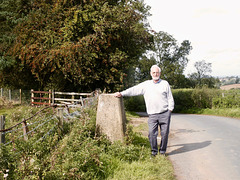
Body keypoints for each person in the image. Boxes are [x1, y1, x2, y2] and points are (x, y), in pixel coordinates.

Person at [114, 65, 174, 156]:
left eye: (157, 72)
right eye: (153, 72)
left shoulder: (165, 84)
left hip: (165, 113)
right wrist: (122, 93)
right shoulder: (146, 85)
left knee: (165, 134)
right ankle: (154, 152)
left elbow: (170, 98)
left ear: (160, 73)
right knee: (151, 134)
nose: (155, 74)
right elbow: (134, 90)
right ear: (150, 73)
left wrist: (170, 110)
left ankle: (162, 152)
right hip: (152, 115)